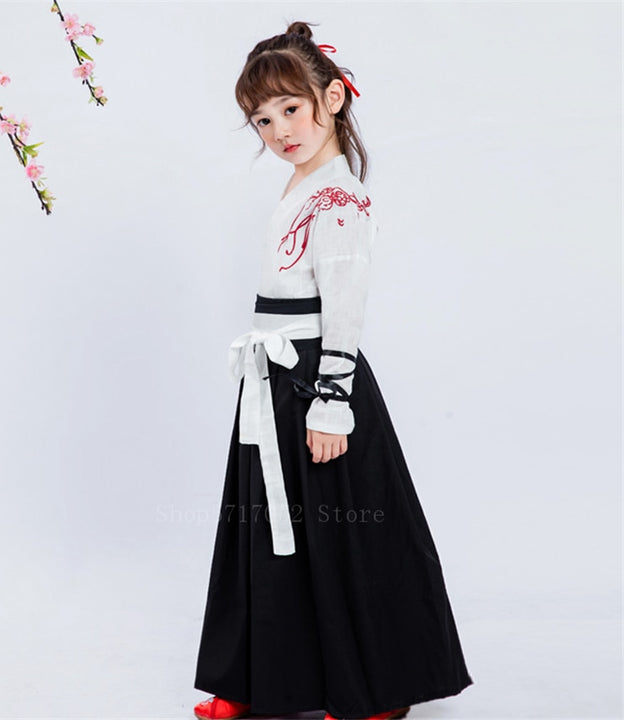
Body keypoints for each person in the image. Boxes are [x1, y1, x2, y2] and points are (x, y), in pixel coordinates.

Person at [192, 20, 474, 720]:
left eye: (291, 108)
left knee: (344, 532)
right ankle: (260, 681)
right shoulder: (302, 186)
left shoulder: (339, 198)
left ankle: (376, 687)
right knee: (269, 526)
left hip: (316, 379)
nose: (280, 129)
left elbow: (345, 307)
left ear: (334, 98)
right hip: (276, 379)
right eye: (263, 119)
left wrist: (330, 402)